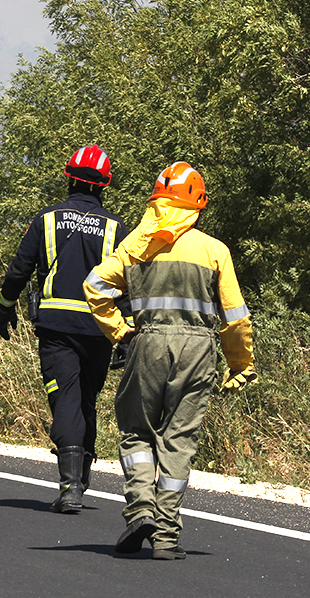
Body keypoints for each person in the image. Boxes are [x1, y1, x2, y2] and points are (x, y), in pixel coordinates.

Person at [83, 161, 256, 560]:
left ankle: (140, 509)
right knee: (179, 440)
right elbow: (235, 318)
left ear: (157, 201)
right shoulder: (214, 250)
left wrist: (120, 330)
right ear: (198, 204)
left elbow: (94, 285)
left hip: (148, 344)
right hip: (198, 351)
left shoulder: (137, 244)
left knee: (136, 432)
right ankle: (165, 536)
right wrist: (241, 364)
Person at [0, 145, 128, 513]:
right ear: (104, 185)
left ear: (69, 177)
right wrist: (126, 333)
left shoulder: (47, 219)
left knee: (66, 399)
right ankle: (80, 478)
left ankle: (71, 487)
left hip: (56, 328)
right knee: (86, 399)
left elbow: (19, 269)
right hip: (100, 329)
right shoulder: (116, 228)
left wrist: (5, 309)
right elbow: (129, 283)